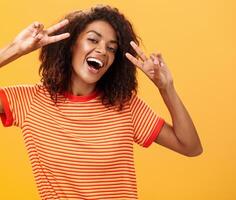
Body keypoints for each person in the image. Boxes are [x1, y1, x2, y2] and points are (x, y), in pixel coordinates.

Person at [0, 5, 202, 200]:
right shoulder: (30, 102)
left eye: (111, 48)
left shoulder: (125, 105)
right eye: (93, 40)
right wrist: (14, 50)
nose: (102, 51)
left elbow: (190, 147)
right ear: (71, 46)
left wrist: (166, 88)